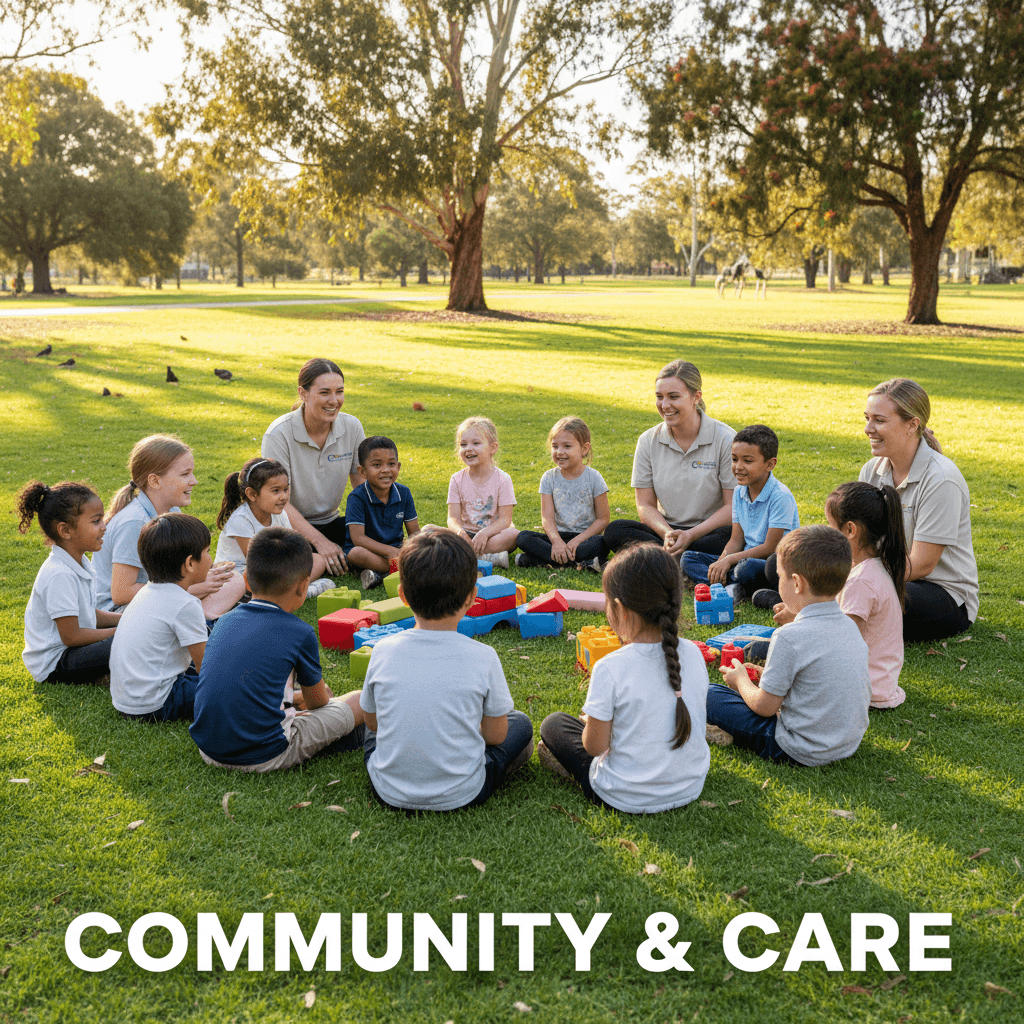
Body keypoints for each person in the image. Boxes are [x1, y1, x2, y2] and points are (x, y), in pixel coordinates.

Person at [359, 531, 534, 812]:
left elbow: (372, 724)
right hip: (464, 792)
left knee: (373, 727)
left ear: (402, 595)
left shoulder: (382, 649)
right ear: (472, 598)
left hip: (388, 789)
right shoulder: (484, 656)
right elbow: (496, 736)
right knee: (520, 722)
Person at [537, 544, 710, 813]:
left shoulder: (610, 667)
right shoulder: (694, 654)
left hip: (624, 796)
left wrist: (595, 724)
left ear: (620, 608)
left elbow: (595, 747)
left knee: (553, 724)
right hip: (690, 786)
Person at [191, 528, 365, 771]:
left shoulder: (224, 620)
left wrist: (296, 698)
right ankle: (336, 740)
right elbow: (317, 702)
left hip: (208, 749)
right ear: (304, 586)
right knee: (360, 699)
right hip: (265, 754)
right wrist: (311, 696)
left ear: (246, 581)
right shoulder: (300, 631)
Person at [708, 526, 870, 766]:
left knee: (708, 693)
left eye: (780, 576)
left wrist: (740, 679)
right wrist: (767, 676)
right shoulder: (849, 626)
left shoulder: (789, 636)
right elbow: (816, 682)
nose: (778, 582)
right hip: (846, 743)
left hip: (798, 747)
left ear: (796, 583)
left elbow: (765, 707)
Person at [859, 378, 978, 643]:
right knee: (782, 565)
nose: (868, 428)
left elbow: (922, 564)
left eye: (879, 420)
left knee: (868, 598)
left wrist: (856, 580)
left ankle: (810, 609)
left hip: (942, 595)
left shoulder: (941, 479)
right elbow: (859, 538)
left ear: (912, 424)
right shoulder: (871, 470)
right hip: (888, 576)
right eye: (867, 418)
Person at [93, 434, 242, 616]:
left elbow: (178, 569)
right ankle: (199, 624)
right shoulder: (134, 523)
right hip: (121, 612)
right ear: (154, 481)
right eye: (185, 474)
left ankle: (200, 621)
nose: (194, 481)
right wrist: (197, 588)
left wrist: (206, 575)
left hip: (161, 595)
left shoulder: (172, 511)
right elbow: (121, 594)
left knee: (234, 579)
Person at [604, 360, 737, 562]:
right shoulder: (648, 440)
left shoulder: (726, 439)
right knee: (616, 530)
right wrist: (667, 534)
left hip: (709, 532)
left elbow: (732, 508)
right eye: (659, 397)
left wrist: (691, 535)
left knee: (734, 536)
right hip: (665, 532)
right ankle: (681, 557)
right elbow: (645, 506)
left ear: (696, 397)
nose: (665, 405)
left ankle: (664, 559)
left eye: (673, 397)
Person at [261, 357, 365, 577]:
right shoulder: (278, 434)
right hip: (289, 526)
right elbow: (279, 500)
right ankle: (317, 567)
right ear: (303, 393)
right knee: (290, 559)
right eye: (325, 392)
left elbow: (362, 486)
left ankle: (332, 561)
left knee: (372, 545)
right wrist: (322, 543)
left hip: (333, 522)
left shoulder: (352, 426)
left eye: (340, 392)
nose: (334, 400)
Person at [109, 514, 213, 722]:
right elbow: (206, 667)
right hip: (157, 704)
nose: (211, 558)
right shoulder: (185, 603)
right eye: (207, 552)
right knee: (232, 685)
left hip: (127, 701)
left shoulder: (146, 593)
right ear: (190, 563)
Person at [19, 481, 121, 685]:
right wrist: (123, 631)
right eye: (96, 521)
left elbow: (89, 614)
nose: (104, 527)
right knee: (129, 640)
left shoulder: (80, 562)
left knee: (132, 634)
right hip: (57, 664)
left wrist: (126, 619)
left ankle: (108, 673)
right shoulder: (59, 574)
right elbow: (72, 636)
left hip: (74, 652)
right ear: (65, 531)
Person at [681, 424, 798, 599]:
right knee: (689, 558)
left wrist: (729, 561)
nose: (738, 467)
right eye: (735, 459)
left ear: (770, 464)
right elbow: (736, 540)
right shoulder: (739, 492)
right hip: (741, 559)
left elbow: (769, 548)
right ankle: (731, 587)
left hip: (770, 563)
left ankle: (726, 586)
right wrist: (721, 562)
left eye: (748, 461)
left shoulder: (780, 497)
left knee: (747, 569)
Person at [825, 482, 908, 709]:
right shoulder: (875, 566)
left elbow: (841, 643)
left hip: (866, 688)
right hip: (880, 683)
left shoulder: (861, 581)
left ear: (850, 530)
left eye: (832, 526)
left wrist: (797, 625)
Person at [214, 457, 333, 601]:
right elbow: (255, 560)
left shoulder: (280, 513)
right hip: (244, 571)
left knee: (318, 560)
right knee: (241, 579)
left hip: (273, 566)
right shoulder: (241, 519)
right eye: (275, 491)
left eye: (285, 489)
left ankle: (282, 593)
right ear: (252, 494)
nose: (283, 497)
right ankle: (293, 592)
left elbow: (291, 546)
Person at [514, 415, 611, 571]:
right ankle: (581, 564)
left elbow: (603, 519)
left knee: (602, 543)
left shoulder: (594, 477)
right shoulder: (548, 478)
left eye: (567, 446)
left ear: (584, 449)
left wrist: (577, 541)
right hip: (557, 538)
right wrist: (557, 542)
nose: (559, 452)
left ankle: (539, 561)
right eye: (555, 446)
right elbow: (547, 517)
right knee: (523, 537)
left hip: (584, 538)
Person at [344, 436, 421, 590]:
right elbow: (358, 538)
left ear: (398, 467)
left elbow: (414, 532)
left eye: (391, 464)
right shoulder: (357, 497)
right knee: (356, 554)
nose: (386, 470)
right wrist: (389, 551)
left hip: (397, 549)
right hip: (369, 552)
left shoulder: (404, 492)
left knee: (428, 538)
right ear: (363, 471)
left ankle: (381, 575)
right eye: (377, 465)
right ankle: (402, 569)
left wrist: (414, 548)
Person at [446, 416, 519, 569]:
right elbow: (452, 518)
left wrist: (485, 534)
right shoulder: (456, 479)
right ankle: (487, 557)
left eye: (476, 443)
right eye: (463, 444)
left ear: (493, 448)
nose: (468, 448)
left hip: (492, 536)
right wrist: (460, 533)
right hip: (464, 536)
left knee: (514, 535)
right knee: (428, 531)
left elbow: (505, 520)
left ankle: (461, 555)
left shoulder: (503, 479)